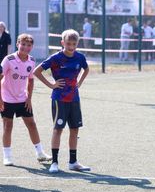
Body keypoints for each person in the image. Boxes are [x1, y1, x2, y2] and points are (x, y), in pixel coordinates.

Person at [33, 29, 90, 174]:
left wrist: (80, 82)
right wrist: (52, 85)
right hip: (59, 99)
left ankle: (73, 162)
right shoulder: (56, 58)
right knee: (58, 129)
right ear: (62, 43)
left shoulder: (80, 57)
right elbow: (36, 71)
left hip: (74, 98)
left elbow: (86, 69)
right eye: (68, 44)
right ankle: (55, 162)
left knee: (74, 129)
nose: (71, 47)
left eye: (74, 44)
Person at [0, 33, 51, 166]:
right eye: (23, 44)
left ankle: (40, 153)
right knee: (8, 126)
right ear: (17, 44)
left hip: (23, 99)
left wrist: (29, 98)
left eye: (28, 45)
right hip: (7, 98)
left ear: (32, 47)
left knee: (32, 124)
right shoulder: (8, 59)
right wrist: (0, 99)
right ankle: (7, 156)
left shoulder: (32, 60)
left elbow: (30, 80)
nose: (25, 47)